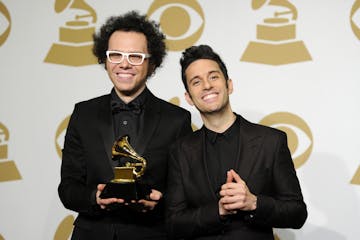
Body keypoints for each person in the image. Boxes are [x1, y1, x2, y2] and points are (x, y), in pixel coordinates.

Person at [58, 11, 192, 240]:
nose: (124, 64)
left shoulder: (177, 119)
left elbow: (188, 191)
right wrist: (94, 198)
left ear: (152, 63)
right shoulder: (83, 114)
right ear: (105, 58)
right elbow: (68, 188)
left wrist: (160, 202)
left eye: (136, 56)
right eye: (116, 55)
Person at [166, 45, 307, 239]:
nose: (207, 85)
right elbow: (173, 223)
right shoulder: (180, 151)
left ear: (229, 85)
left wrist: (254, 203)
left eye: (213, 77)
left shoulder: (271, 141)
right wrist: (218, 211)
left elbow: (297, 213)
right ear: (189, 98)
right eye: (196, 82)